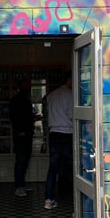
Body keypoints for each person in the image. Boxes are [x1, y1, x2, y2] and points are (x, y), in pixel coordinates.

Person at [43, 71, 73, 209]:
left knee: (53, 168)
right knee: (73, 168)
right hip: (67, 133)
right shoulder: (70, 95)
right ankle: (76, 201)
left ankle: (49, 199)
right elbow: (73, 116)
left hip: (54, 133)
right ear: (69, 80)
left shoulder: (51, 95)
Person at [9, 79, 37, 197]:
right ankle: (18, 186)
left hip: (27, 133)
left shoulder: (25, 99)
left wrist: (33, 119)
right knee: (21, 160)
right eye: (26, 85)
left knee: (25, 160)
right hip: (21, 135)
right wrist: (20, 130)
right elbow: (14, 116)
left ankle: (22, 184)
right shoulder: (17, 100)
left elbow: (25, 116)